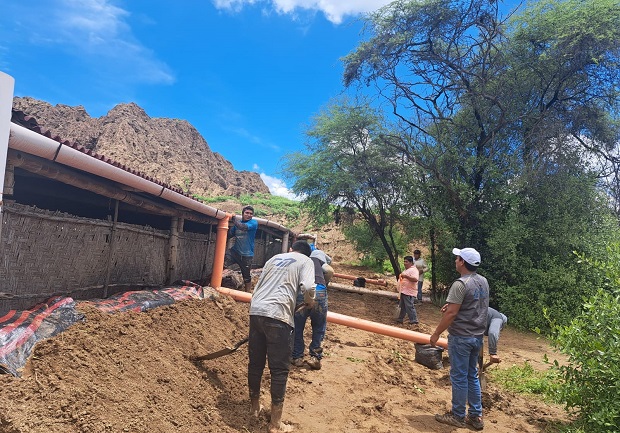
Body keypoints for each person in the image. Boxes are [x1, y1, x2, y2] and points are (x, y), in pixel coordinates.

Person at [248, 240, 316, 433]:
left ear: (291, 249)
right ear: (306, 254)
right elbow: (309, 287)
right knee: (279, 370)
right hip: (278, 315)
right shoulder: (305, 261)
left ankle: (254, 408)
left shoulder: (275, 258)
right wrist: (310, 302)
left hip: (257, 310)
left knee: (255, 363)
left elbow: (258, 285)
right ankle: (275, 425)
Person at [430, 247, 489, 431]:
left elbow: (451, 314)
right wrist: (451, 306)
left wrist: (436, 333)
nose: (455, 260)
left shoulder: (460, 284)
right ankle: (475, 416)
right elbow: (474, 304)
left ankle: (457, 416)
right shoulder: (483, 281)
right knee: (472, 375)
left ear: (462, 262)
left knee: (459, 377)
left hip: (461, 337)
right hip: (477, 337)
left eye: (457, 258)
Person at [292, 247, 332, 370]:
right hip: (319, 292)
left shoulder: (304, 261)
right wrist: (326, 283)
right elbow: (329, 270)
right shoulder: (321, 263)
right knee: (319, 327)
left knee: (297, 327)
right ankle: (315, 357)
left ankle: (297, 357)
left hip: (302, 293)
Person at [225, 205, 258, 292]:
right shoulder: (237, 225)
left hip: (247, 255)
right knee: (221, 263)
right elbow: (229, 235)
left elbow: (242, 227)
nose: (249, 215)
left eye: (251, 214)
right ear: (243, 214)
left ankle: (247, 293)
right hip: (235, 252)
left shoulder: (253, 223)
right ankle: (214, 282)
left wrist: (233, 219)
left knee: (246, 276)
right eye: (247, 213)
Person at [396, 255, 420, 325]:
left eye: (406, 262)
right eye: (404, 261)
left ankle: (414, 320)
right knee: (402, 306)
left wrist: (406, 276)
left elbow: (415, 279)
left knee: (409, 306)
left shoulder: (414, 270)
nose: (404, 263)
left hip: (409, 292)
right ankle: (400, 319)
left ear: (410, 262)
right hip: (404, 291)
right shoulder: (407, 270)